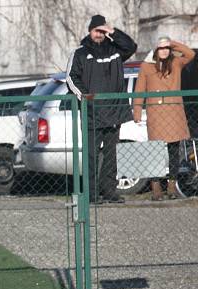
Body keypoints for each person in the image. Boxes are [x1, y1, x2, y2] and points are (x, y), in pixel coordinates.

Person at [66, 14, 137, 204]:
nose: (99, 34)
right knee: (91, 156)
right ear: (90, 31)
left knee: (111, 156)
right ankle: (91, 194)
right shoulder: (80, 53)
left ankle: (110, 192)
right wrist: (85, 97)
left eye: (102, 31)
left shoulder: (115, 50)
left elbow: (131, 46)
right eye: (96, 30)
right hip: (92, 113)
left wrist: (113, 31)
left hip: (114, 113)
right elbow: (71, 78)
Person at [133, 37, 196, 200]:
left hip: (174, 113)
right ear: (155, 50)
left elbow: (189, 54)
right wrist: (137, 110)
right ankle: (156, 188)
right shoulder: (146, 66)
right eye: (161, 48)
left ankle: (171, 187)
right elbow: (139, 89)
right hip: (156, 114)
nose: (164, 51)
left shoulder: (175, 63)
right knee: (155, 152)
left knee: (174, 151)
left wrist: (172, 43)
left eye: (167, 48)